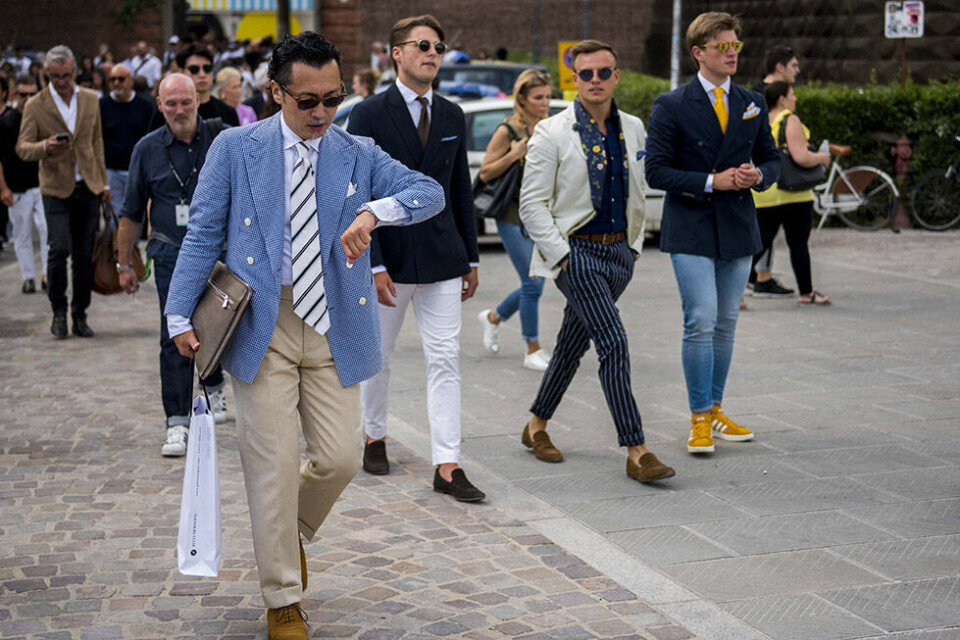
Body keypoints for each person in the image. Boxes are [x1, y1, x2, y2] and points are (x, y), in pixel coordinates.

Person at [164, 32, 443, 639]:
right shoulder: (235, 148)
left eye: (333, 98)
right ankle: (283, 598)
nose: (322, 112)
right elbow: (203, 232)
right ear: (276, 92)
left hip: (336, 323)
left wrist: (374, 212)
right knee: (271, 464)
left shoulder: (357, 150)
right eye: (308, 100)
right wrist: (178, 314)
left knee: (341, 458)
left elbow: (429, 193)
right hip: (259, 323)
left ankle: (286, 530)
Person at [517, 40, 674, 482]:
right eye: (586, 74)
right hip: (577, 252)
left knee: (572, 342)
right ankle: (637, 450)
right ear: (574, 79)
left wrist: (634, 247)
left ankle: (536, 425)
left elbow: (637, 190)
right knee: (613, 341)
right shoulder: (552, 131)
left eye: (604, 72)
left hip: (619, 253)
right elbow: (531, 205)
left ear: (616, 76)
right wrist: (563, 257)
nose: (595, 81)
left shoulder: (633, 127)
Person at [348, 15, 484, 502]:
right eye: (422, 45)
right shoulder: (367, 114)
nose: (432, 53)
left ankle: (447, 464)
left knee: (445, 358)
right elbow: (357, 193)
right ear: (396, 53)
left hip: (444, 256)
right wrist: (374, 263)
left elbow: (459, 188)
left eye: (438, 47)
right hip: (390, 257)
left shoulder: (451, 114)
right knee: (379, 357)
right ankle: (374, 435)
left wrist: (471, 257)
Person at [645, 12, 780, 454]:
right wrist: (710, 181)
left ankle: (717, 409)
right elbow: (655, 171)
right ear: (698, 52)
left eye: (736, 45)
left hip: (738, 225)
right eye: (723, 46)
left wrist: (758, 175)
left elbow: (772, 159)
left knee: (726, 322)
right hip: (691, 225)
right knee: (700, 319)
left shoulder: (752, 101)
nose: (732, 53)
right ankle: (699, 416)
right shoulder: (672, 104)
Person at [116, 73, 230, 456]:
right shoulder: (147, 149)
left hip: (219, 255)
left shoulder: (222, 140)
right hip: (169, 254)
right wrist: (123, 263)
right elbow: (131, 210)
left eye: (185, 102)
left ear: (198, 99)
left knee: (218, 328)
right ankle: (177, 423)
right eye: (171, 104)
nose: (179, 110)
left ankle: (215, 385)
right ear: (160, 105)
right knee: (174, 336)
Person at [16, 45, 111, 339]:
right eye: (54, 76)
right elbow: (23, 148)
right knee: (58, 249)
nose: (60, 81)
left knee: (84, 254)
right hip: (55, 187)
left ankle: (80, 313)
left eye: (65, 75)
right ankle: (58, 310)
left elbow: (96, 142)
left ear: (74, 72)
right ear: (47, 74)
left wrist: (104, 183)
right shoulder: (36, 105)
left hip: (88, 186)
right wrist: (45, 146)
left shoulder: (90, 99)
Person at [476, 69, 552, 371]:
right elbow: (485, 173)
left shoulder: (549, 127)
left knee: (537, 283)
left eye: (547, 97)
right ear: (522, 99)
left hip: (542, 216)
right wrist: (513, 154)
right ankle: (532, 348)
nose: (545, 103)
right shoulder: (508, 130)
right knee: (532, 283)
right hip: (512, 216)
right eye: (538, 97)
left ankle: (494, 317)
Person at [753, 82, 834, 305]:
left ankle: (732, 290)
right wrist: (822, 158)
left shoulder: (762, 119)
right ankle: (806, 293)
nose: (795, 98)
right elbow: (800, 156)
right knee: (798, 243)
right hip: (794, 192)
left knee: (759, 243)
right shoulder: (790, 119)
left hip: (766, 192)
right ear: (782, 99)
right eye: (792, 94)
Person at [749, 44, 802, 297]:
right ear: (779, 67)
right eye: (793, 65)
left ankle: (761, 276)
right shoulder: (759, 95)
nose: (798, 70)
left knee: (766, 229)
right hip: (760, 172)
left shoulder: (761, 92)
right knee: (764, 228)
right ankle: (754, 277)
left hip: (766, 170)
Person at [1, 74, 47, 293]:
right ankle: (28, 276)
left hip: (43, 184)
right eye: (23, 94)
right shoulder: (7, 121)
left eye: (31, 94)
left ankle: (47, 274)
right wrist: (3, 188)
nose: (27, 98)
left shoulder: (42, 117)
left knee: (47, 230)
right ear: (14, 94)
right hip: (17, 186)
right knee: (22, 234)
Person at [99, 64, 155, 212]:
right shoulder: (102, 105)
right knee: (116, 216)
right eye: (112, 80)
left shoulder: (146, 106)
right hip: (112, 171)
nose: (116, 83)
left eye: (121, 79)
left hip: (138, 171)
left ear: (130, 80)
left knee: (139, 214)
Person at [175, 44, 240, 126]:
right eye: (194, 69)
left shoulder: (228, 112)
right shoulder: (172, 112)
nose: (202, 75)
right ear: (181, 72)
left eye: (207, 68)